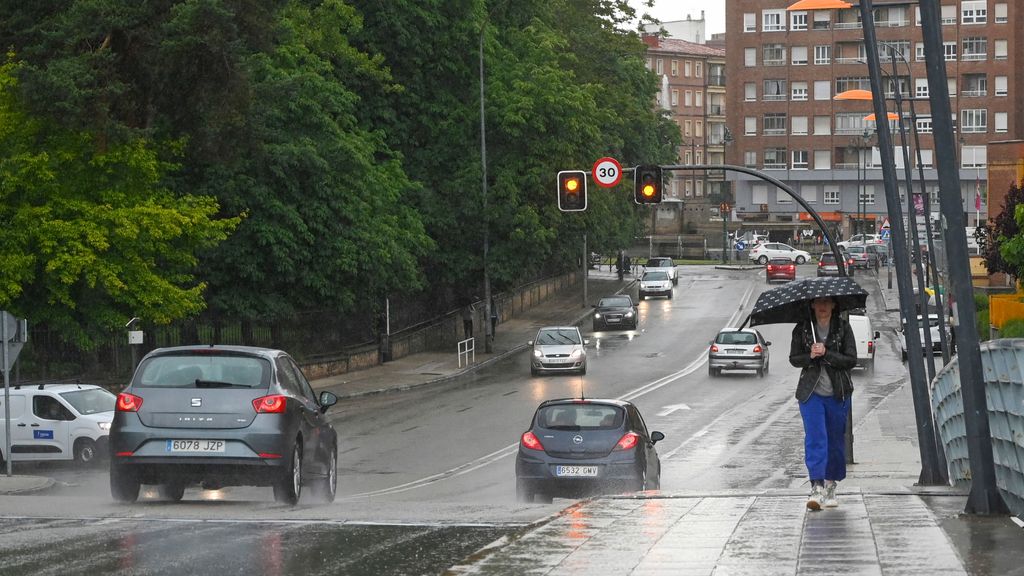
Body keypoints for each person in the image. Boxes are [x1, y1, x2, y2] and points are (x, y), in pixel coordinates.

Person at [789, 296, 857, 511]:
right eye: (818, 302)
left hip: (838, 394)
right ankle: (816, 486)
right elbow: (794, 358)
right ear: (812, 305)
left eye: (827, 302)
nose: (822, 306)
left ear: (834, 305)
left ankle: (830, 484)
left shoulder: (843, 328)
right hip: (811, 393)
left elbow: (851, 359)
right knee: (816, 438)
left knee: (835, 440)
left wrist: (827, 353)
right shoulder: (803, 329)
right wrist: (810, 356)